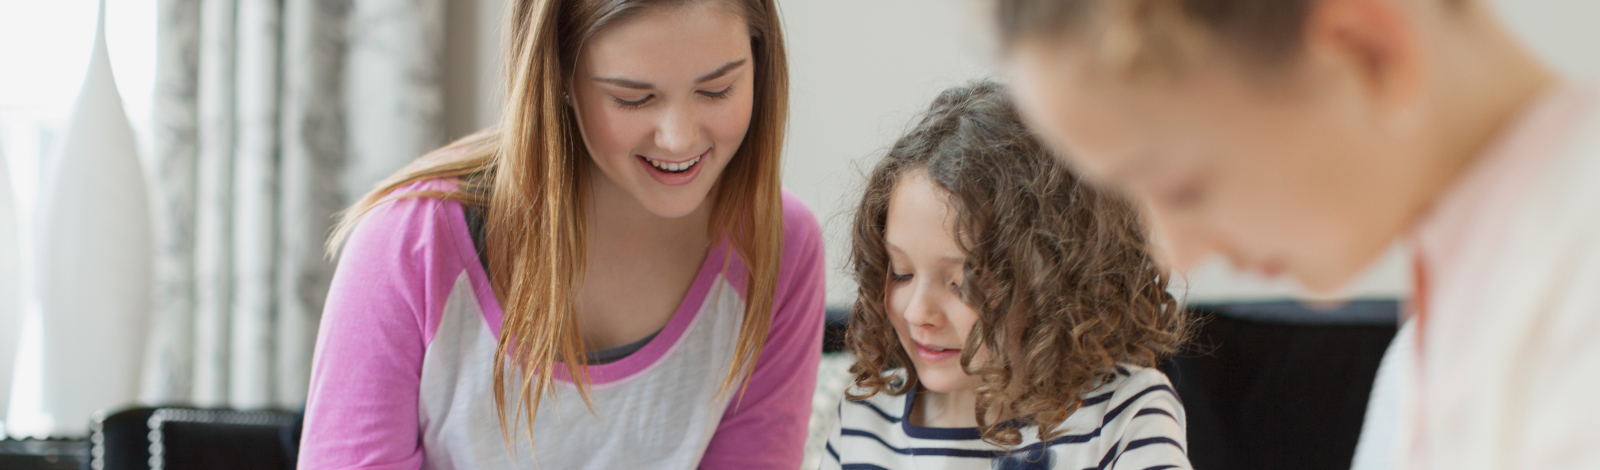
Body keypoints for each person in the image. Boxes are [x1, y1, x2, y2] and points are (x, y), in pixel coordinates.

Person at [993, 0, 1600, 468]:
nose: (1175, 251)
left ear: (1367, 51)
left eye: (1184, 188)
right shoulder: (1428, 345)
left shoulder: (1574, 298)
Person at [297, 0, 826, 468]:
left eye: (717, 89)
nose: (678, 137)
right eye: (634, 98)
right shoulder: (407, 245)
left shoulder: (779, 249)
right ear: (559, 76)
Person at [822, 81, 1192, 470]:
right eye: (900, 273)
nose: (918, 313)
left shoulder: (1124, 415)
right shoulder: (865, 414)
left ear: (1052, 280)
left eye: (961, 284)